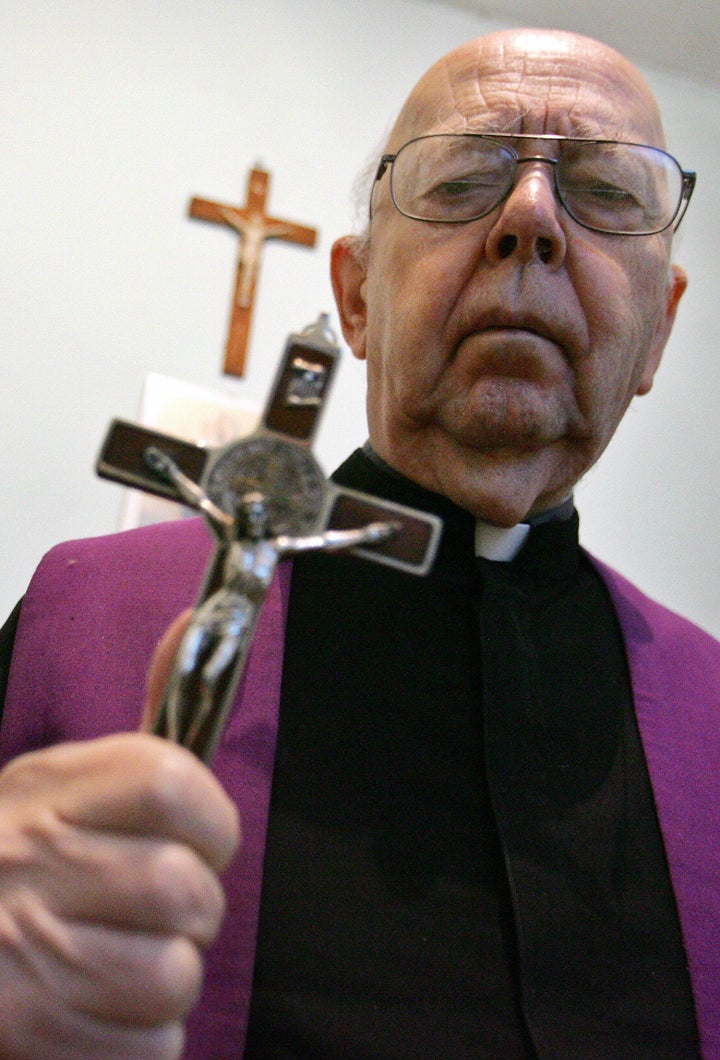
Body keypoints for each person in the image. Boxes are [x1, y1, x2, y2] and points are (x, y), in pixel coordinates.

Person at [0, 25, 717, 1060]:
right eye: (467, 174)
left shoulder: (712, 710)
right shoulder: (82, 617)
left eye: (606, 192)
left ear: (658, 331)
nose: (530, 217)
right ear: (357, 295)